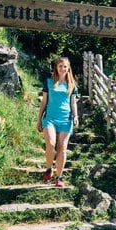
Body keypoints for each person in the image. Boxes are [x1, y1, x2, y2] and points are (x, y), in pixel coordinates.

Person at [36, 56, 79, 187]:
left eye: (65, 66)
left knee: (62, 148)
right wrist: (39, 119)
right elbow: (44, 102)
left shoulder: (72, 85)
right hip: (50, 118)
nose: (62, 68)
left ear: (68, 68)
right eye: (60, 66)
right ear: (56, 67)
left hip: (66, 119)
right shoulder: (49, 82)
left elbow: (73, 103)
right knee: (50, 143)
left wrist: (76, 116)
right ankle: (49, 168)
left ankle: (59, 178)